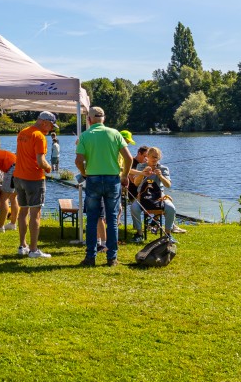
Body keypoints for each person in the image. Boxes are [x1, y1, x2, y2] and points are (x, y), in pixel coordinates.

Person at [75, 107, 132, 266]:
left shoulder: (85, 136)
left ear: (89, 120)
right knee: (112, 220)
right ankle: (112, 258)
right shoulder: (115, 133)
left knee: (92, 219)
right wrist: (125, 176)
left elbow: (78, 161)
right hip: (113, 180)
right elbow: (129, 158)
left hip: (93, 179)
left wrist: (84, 173)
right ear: (104, 119)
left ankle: (90, 257)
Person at [13, 111, 57, 259]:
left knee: (23, 211)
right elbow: (40, 161)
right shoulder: (39, 136)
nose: (51, 129)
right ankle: (33, 249)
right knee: (35, 214)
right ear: (44, 122)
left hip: (18, 176)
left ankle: (22, 245)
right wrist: (49, 168)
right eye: (51, 125)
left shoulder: (23, 132)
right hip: (33, 178)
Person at [129, 147, 179, 243]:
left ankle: (168, 234)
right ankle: (139, 234)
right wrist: (142, 173)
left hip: (159, 196)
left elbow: (168, 185)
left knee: (171, 208)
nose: (154, 159)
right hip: (142, 195)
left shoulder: (163, 168)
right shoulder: (140, 166)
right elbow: (136, 183)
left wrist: (160, 176)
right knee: (134, 208)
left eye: (156, 157)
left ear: (159, 158)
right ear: (147, 156)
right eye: (152, 157)